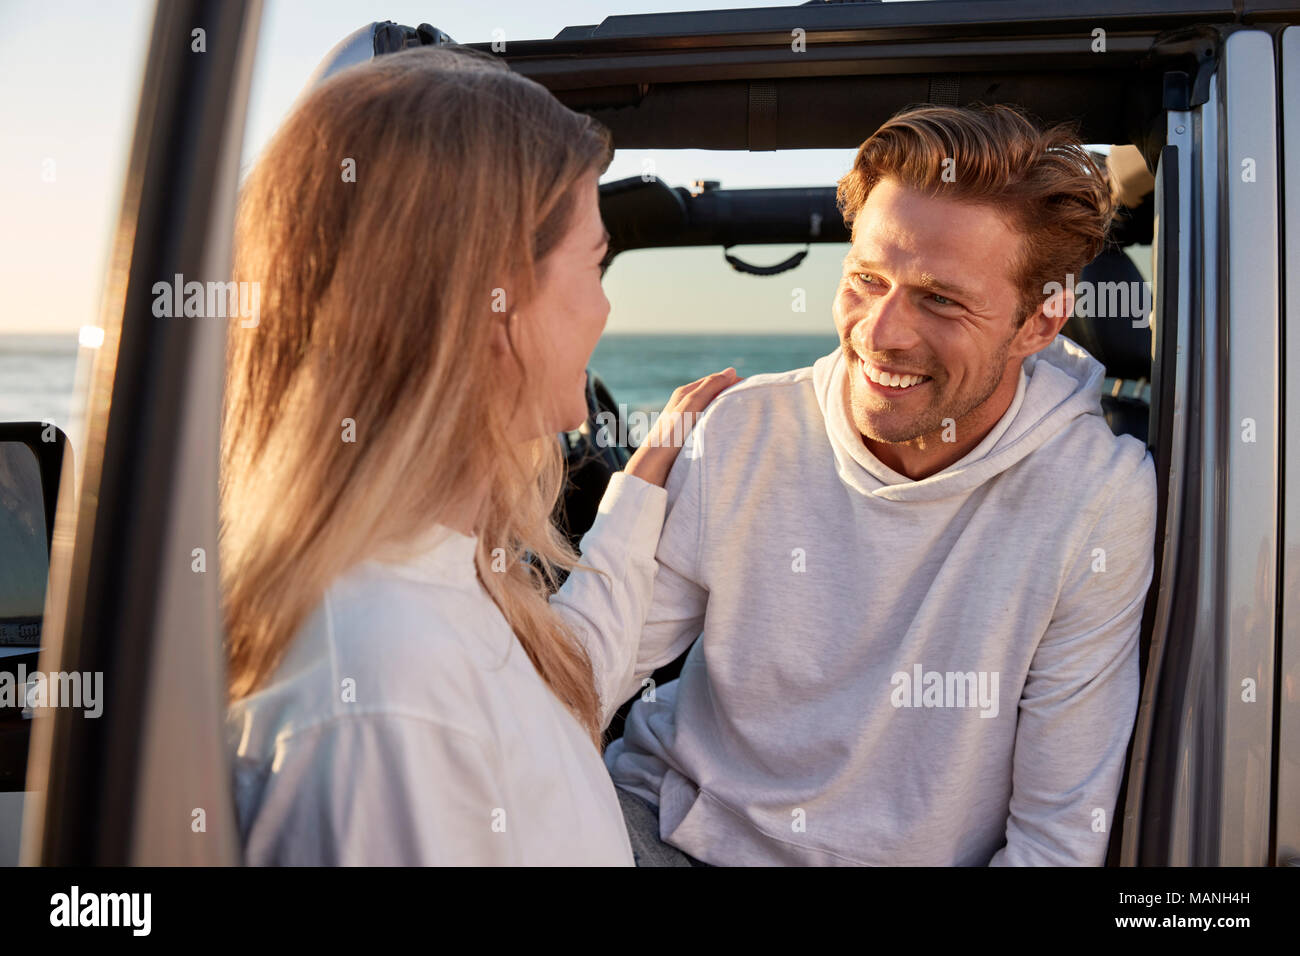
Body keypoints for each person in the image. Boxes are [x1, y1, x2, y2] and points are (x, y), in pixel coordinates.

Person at [570, 103, 1159, 866]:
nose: (880, 333)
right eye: (866, 279)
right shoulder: (745, 427)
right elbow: (579, 680)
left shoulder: (1095, 496)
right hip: (663, 832)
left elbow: (1055, 840)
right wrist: (630, 506)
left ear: (1040, 325)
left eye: (940, 299)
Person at [220, 44, 735, 865]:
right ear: (491, 304)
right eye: (596, 263)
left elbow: (552, 706)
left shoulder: (428, 575)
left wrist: (641, 488)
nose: (605, 307)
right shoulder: (386, 699)